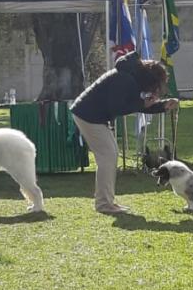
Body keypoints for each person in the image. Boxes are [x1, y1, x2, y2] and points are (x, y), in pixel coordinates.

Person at [71, 52, 178, 214]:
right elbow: (118, 108)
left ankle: (107, 202)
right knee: (107, 156)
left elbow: (134, 105)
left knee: (110, 155)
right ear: (150, 79)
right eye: (155, 87)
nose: (154, 91)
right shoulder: (125, 79)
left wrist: (162, 106)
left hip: (92, 115)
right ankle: (104, 204)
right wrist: (143, 103)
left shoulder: (131, 76)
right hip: (88, 115)